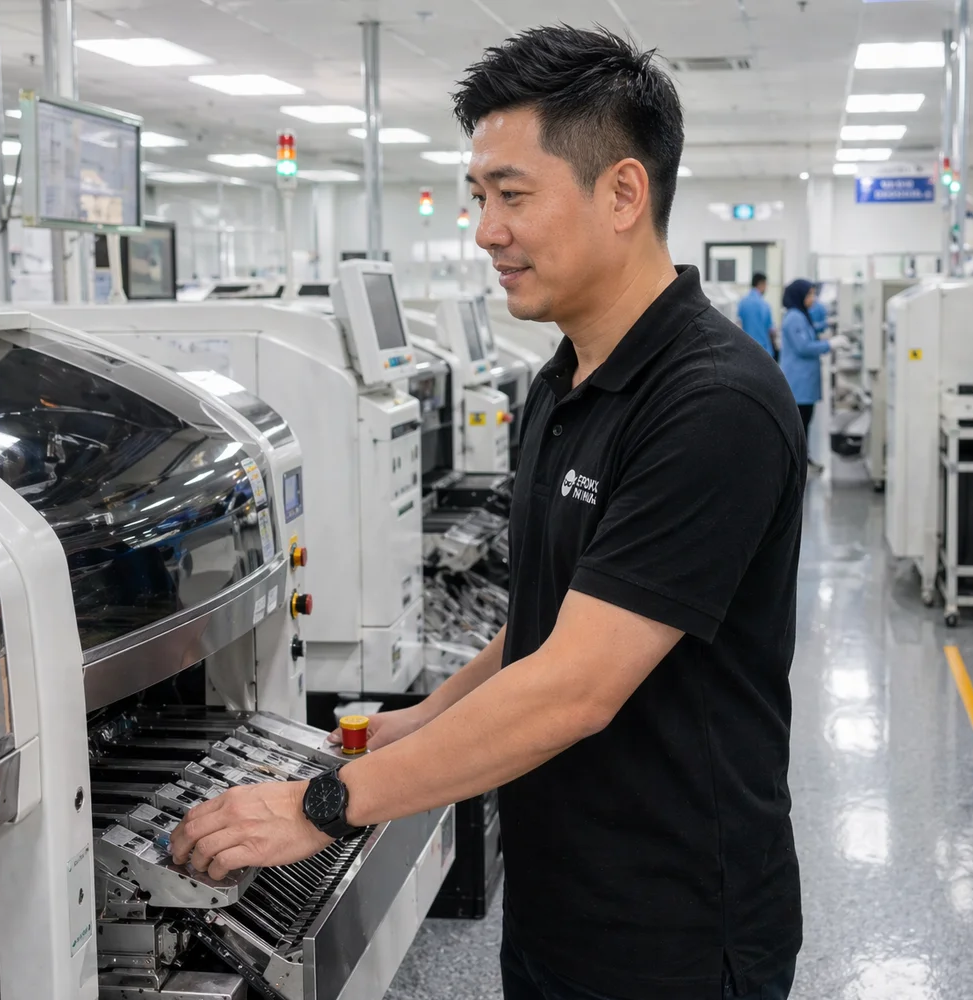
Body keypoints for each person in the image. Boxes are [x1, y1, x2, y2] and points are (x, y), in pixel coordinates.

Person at [170, 25, 806, 1000]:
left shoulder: (713, 402)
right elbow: (551, 619)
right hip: (564, 898)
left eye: (513, 195)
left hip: (678, 925)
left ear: (624, 193)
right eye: (479, 198)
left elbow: (574, 687)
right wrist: (425, 719)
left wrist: (323, 804)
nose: (484, 230)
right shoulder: (563, 382)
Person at [778, 279, 829, 470]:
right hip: (798, 382)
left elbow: (808, 336)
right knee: (799, 425)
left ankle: (802, 460)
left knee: (805, 424)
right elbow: (803, 347)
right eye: (809, 294)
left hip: (805, 383)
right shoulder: (794, 317)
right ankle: (796, 464)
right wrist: (829, 345)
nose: (813, 298)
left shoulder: (801, 315)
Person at [737, 271, 776, 358]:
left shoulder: (742, 302)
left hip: (746, 349)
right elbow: (771, 330)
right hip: (763, 350)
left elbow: (738, 324)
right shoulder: (764, 305)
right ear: (761, 284)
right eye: (766, 285)